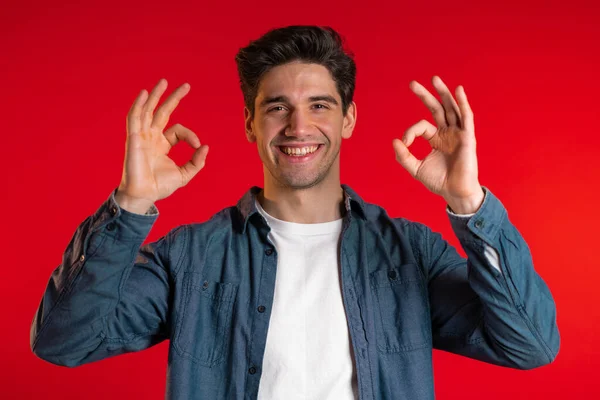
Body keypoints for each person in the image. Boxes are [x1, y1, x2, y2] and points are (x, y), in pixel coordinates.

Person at [30, 25, 560, 400]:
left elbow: (530, 345)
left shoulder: (409, 253)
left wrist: (469, 204)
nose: (298, 126)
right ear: (249, 123)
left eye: (320, 105)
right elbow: (64, 342)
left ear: (349, 119)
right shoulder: (190, 257)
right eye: (277, 105)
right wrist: (130, 203)